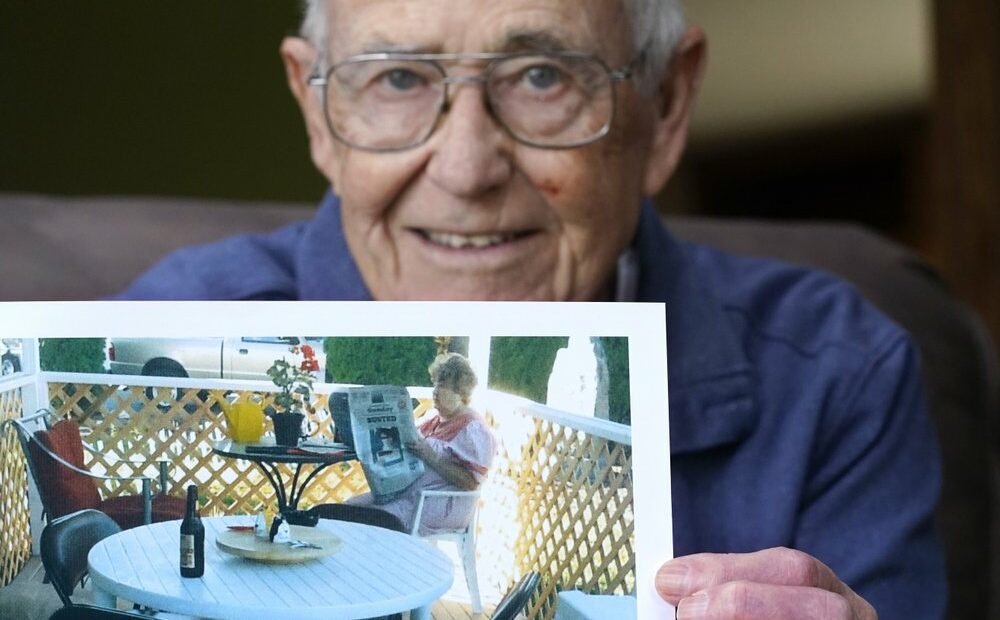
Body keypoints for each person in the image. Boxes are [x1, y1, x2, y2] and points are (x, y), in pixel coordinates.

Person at [117, 0, 945, 617]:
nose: (468, 167)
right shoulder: (174, 309)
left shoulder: (840, 372)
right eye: (399, 77)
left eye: (543, 76)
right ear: (317, 111)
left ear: (666, 109)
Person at [349, 353, 497, 534]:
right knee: (347, 509)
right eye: (435, 384)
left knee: (367, 520)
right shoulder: (434, 420)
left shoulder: (472, 428)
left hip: (438, 503)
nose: (435, 392)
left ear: (460, 392)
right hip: (406, 494)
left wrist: (430, 456)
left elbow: (471, 482)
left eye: (442, 386)